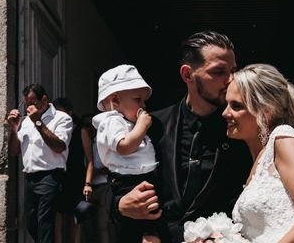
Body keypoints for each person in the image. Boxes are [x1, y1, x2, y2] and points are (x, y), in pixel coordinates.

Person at [116, 31, 252, 242]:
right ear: (188, 75)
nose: (231, 79)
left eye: (233, 70)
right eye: (219, 72)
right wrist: (119, 204)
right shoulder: (153, 125)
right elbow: (116, 181)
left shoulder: (241, 129)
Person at [222, 64, 294, 243]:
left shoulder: (283, 139)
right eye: (226, 104)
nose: (225, 113)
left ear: (265, 111)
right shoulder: (260, 158)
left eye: (236, 106)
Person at [92, 65, 162, 243]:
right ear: (115, 100)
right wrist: (142, 126)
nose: (143, 106)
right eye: (138, 99)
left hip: (143, 176)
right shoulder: (111, 121)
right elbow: (124, 147)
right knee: (133, 226)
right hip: (127, 181)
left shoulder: (125, 121)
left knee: (150, 222)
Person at [6, 84, 74, 243]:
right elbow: (14, 152)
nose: (29, 107)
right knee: (31, 223)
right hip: (30, 178)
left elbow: (59, 147)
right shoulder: (26, 121)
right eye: (26, 103)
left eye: (33, 102)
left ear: (44, 99)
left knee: (45, 223)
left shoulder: (62, 118)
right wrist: (14, 129)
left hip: (50, 176)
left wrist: (38, 122)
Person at [52, 98, 85, 243]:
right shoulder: (54, 132)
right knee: (57, 216)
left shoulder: (80, 131)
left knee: (75, 218)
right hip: (60, 174)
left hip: (76, 175)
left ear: (70, 113)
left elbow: (89, 159)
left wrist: (88, 183)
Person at [80, 113, 115, 243]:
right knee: (86, 224)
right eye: (86, 125)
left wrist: (96, 170)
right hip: (87, 188)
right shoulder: (82, 144)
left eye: (92, 125)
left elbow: (109, 166)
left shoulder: (103, 143)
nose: (89, 128)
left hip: (103, 185)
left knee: (102, 224)